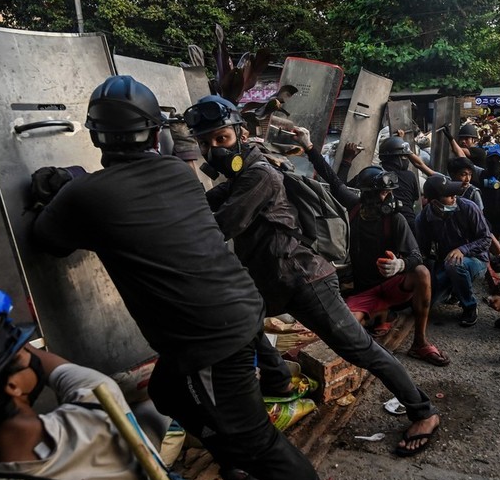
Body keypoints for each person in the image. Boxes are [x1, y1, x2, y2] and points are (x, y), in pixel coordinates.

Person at [29, 76, 315, 480]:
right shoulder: (178, 172)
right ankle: (236, 466)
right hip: (238, 309)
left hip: (208, 339)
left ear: (95, 136)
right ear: (155, 134)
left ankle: (247, 461)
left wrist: (63, 186)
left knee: (259, 443)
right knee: (168, 391)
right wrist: (76, 186)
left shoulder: (84, 196)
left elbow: (47, 240)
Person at [186, 96, 441, 457]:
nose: (214, 150)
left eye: (221, 138)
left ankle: (423, 411)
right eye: (205, 143)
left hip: (305, 280)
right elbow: (202, 205)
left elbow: (220, 226)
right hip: (273, 282)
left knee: (361, 350)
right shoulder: (242, 175)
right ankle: (278, 378)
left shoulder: (258, 174)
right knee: (241, 321)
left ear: (241, 135)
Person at [293, 127, 450, 367]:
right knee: (343, 330)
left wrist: (400, 264)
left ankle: (420, 342)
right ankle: (379, 316)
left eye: (387, 193)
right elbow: (332, 179)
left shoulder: (395, 219)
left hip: (392, 287)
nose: (386, 198)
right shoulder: (354, 206)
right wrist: (309, 146)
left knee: (422, 272)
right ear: (366, 194)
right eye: (381, 193)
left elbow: (417, 256)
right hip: (365, 292)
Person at [0, 288, 154, 480]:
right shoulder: (96, 405)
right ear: (12, 386)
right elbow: (56, 368)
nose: (29, 353)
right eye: (21, 351)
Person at [415, 175, 492, 327]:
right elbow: (423, 251)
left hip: (476, 259)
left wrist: (463, 250)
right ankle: (455, 288)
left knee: (454, 264)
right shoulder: (423, 219)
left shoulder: (468, 207)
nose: (454, 197)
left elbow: (486, 239)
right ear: (435, 202)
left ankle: (469, 306)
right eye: (449, 196)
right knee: (428, 300)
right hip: (445, 262)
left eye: (454, 194)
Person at [340, 136, 420, 238]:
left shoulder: (373, 175)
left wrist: (347, 160)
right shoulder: (410, 176)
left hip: (382, 228)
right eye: (404, 157)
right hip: (410, 228)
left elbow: (341, 188)